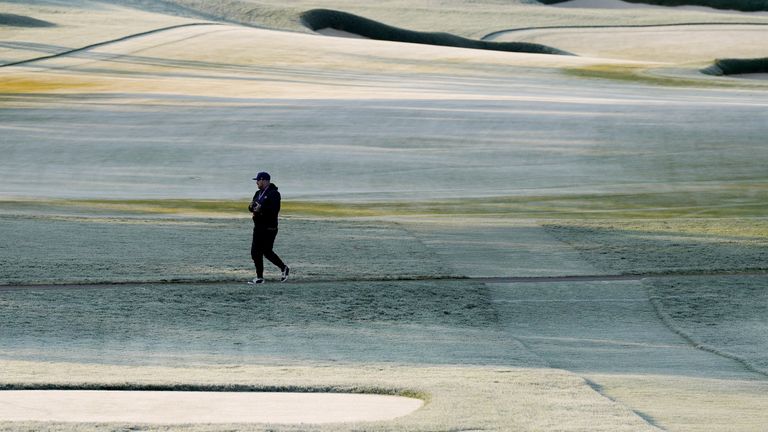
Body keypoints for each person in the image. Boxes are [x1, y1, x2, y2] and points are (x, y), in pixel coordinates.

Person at [248, 171, 289, 284]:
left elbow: (274, 210)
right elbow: (252, 206)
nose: (256, 182)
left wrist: (261, 210)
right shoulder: (258, 193)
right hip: (258, 226)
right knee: (257, 252)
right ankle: (262, 276)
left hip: (269, 227)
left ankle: (265, 276)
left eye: (258, 180)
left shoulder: (274, 193)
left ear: (264, 180)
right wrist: (251, 207)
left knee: (264, 251)